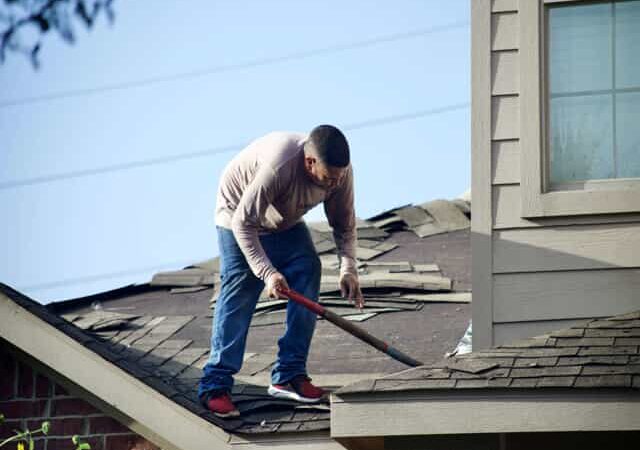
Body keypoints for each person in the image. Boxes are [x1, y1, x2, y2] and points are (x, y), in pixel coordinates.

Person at [198, 125, 364, 417]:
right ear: (310, 163)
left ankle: (289, 374)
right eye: (329, 178)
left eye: (338, 178)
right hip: (237, 216)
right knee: (241, 287)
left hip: (282, 222)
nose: (333, 185)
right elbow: (243, 223)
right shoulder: (280, 165)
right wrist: (267, 272)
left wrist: (348, 268)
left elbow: (344, 223)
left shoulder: (340, 174)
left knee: (307, 268)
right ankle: (215, 385)